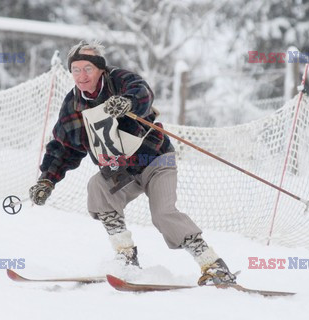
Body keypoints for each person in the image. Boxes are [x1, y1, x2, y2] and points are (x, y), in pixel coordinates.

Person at [29, 40, 236, 286]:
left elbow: (142, 92)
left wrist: (128, 102)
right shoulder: (73, 104)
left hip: (155, 159)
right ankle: (125, 256)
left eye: (88, 69)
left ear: (100, 70)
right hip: (122, 171)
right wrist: (46, 180)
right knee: (97, 187)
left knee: (163, 214)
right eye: (76, 69)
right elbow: (64, 147)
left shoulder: (119, 80)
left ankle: (213, 265)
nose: (82, 75)